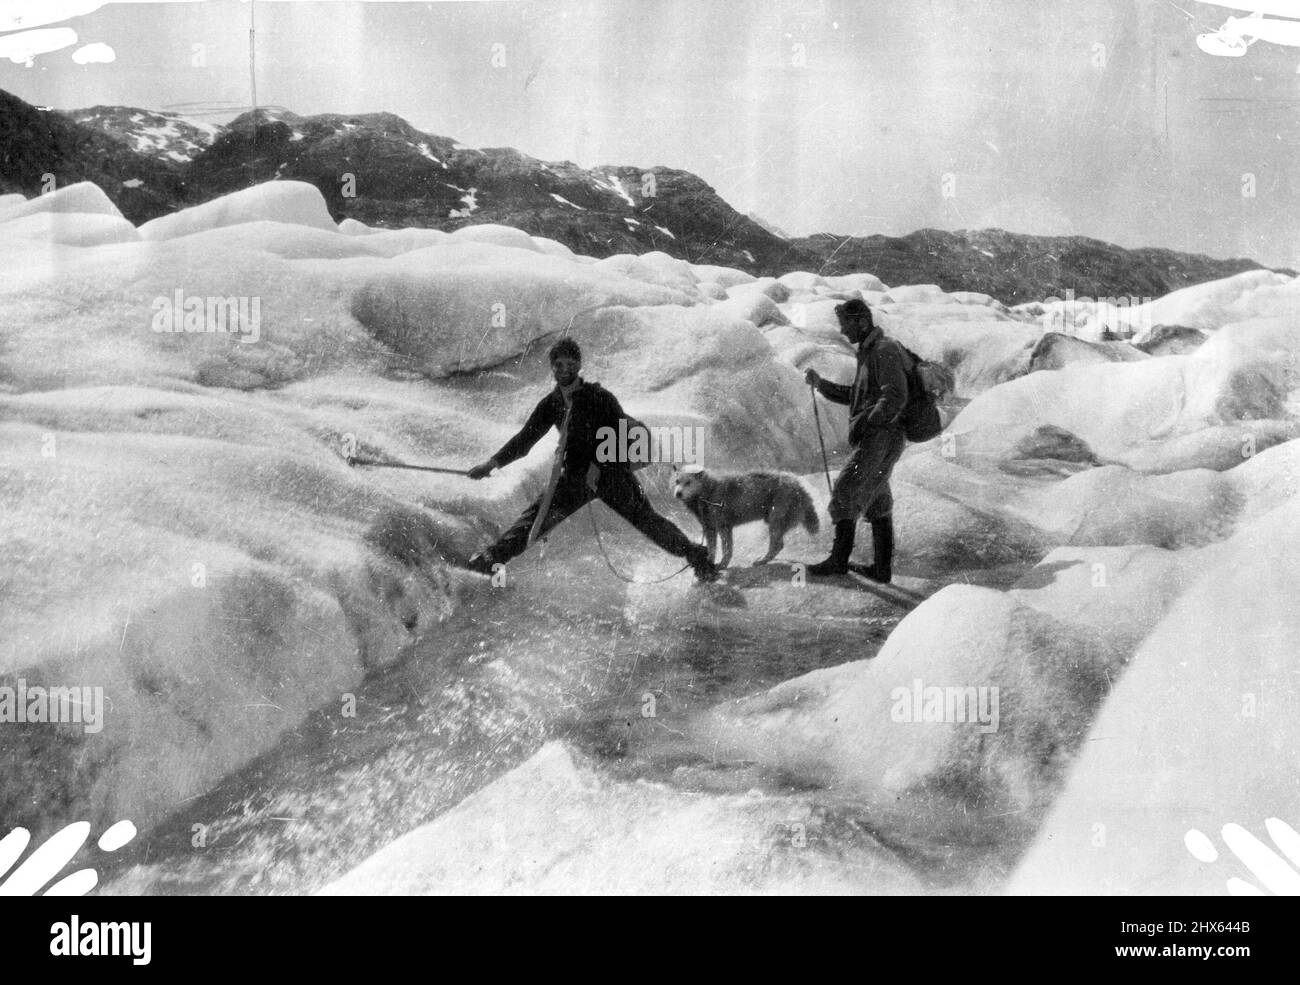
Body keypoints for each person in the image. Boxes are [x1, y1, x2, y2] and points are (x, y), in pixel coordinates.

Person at [463, 337, 719, 581]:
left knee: (648, 522)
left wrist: (601, 467)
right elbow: (524, 441)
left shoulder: (600, 398)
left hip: (612, 477)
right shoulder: (551, 404)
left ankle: (699, 559)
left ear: (579, 365)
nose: (565, 369)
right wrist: (492, 463)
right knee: (534, 521)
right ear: (552, 367)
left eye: (570, 363)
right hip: (574, 479)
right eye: (559, 364)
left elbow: (622, 437)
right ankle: (486, 565)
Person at [803, 299, 908, 581]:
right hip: (884, 437)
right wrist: (822, 385)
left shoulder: (883, 351)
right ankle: (881, 569)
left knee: (845, 491)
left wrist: (870, 421)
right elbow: (858, 396)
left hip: (880, 437)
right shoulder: (870, 351)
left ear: (861, 322)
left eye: (846, 325)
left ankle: (838, 562)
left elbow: (895, 395)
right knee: (876, 499)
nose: (843, 332)